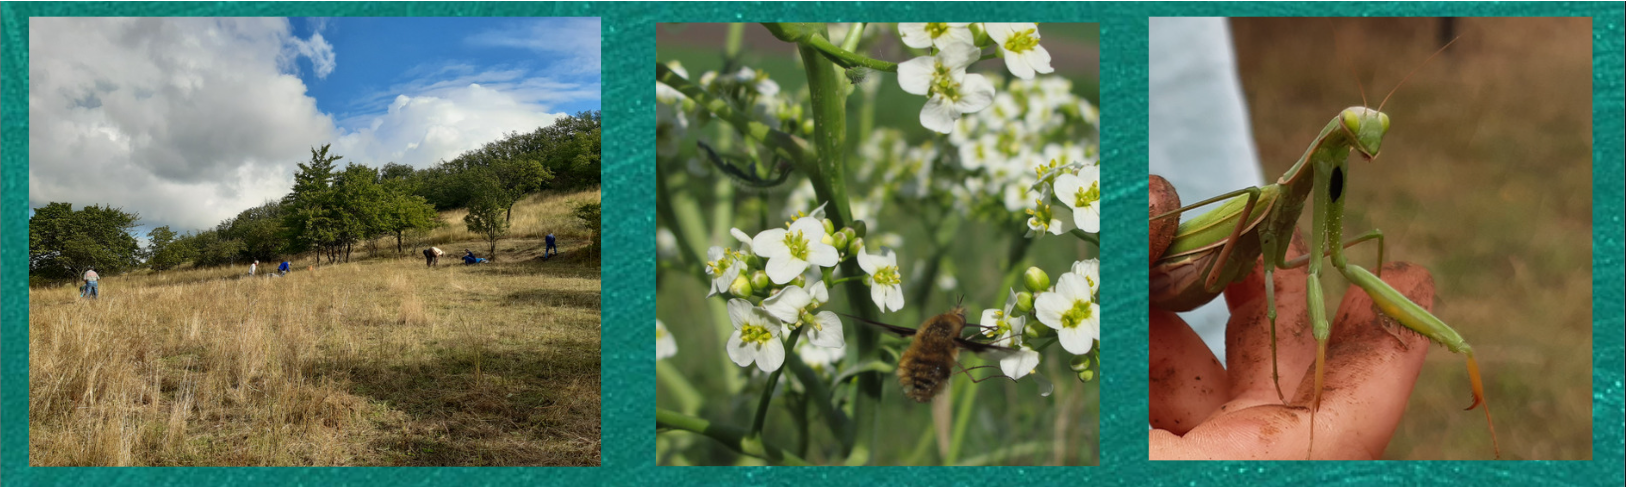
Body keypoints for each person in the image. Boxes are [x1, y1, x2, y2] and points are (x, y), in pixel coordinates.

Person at [1147, 18, 1430, 460]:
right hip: (1177, 277)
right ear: (1336, 134)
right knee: (1270, 280)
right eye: (1359, 128)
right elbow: (1282, 297)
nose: (1370, 142)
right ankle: (1287, 390)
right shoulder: (1259, 199)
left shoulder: (1320, 173)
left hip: (1197, 326)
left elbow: (1328, 259)